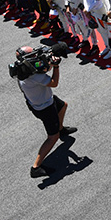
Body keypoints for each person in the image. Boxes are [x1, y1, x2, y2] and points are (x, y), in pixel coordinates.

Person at [15, 46, 77, 178]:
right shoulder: (34, 77)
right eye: (32, 54)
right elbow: (54, 83)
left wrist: (49, 62)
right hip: (45, 108)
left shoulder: (22, 70)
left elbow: (43, 68)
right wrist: (56, 66)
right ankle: (35, 167)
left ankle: (61, 129)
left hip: (41, 102)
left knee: (63, 106)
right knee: (52, 137)